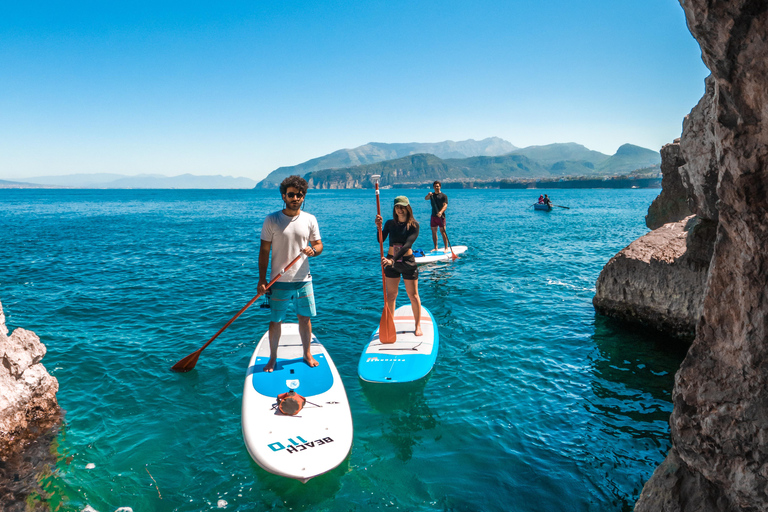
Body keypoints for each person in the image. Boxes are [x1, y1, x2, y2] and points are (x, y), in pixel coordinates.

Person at [258, 175, 323, 372]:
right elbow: (264, 251)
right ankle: (273, 358)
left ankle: (307, 353)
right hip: (279, 281)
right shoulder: (272, 219)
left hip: (304, 280)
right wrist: (262, 280)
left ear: (304, 197)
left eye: (300, 195)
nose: (296, 198)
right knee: (276, 320)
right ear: (284, 196)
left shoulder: (310, 219)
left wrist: (314, 250)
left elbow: (319, 245)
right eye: (291, 194)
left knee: (304, 318)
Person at [375, 196, 423, 336]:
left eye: (402, 207)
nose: (400, 210)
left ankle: (417, 325)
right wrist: (378, 227)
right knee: (391, 296)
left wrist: (393, 260)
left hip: (407, 262)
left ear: (408, 208)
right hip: (391, 261)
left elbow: (407, 245)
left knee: (413, 295)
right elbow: (380, 240)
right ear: (394, 208)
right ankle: (390, 324)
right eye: (397, 207)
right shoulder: (390, 223)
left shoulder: (414, 225)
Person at [424, 180, 448, 252]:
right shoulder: (432, 195)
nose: (436, 187)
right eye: (435, 186)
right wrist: (429, 195)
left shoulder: (444, 196)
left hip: (441, 217)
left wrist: (441, 212)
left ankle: (446, 248)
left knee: (443, 232)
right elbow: (426, 198)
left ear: (440, 187)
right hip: (433, 216)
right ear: (433, 187)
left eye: (438, 186)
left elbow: (445, 205)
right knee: (434, 232)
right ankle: (435, 247)